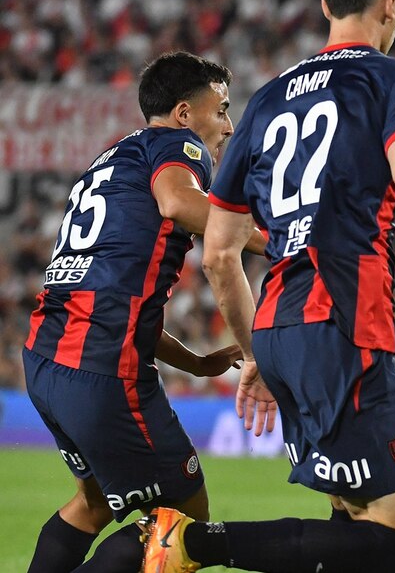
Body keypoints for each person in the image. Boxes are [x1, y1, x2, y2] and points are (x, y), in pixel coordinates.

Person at [138, 0, 395, 572]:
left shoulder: (265, 101)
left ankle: (187, 543)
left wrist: (256, 352)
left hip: (280, 330)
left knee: (353, 524)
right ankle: (189, 543)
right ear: (393, 5)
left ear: (326, 5)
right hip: (342, 326)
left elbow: (222, 254)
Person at [23, 51, 264, 573]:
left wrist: (196, 364)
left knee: (91, 505)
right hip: (103, 369)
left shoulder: (110, 159)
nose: (227, 125)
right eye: (220, 109)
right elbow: (180, 202)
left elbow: (111, 293)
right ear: (183, 113)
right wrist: (272, 240)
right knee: (183, 524)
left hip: (47, 358)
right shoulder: (180, 146)